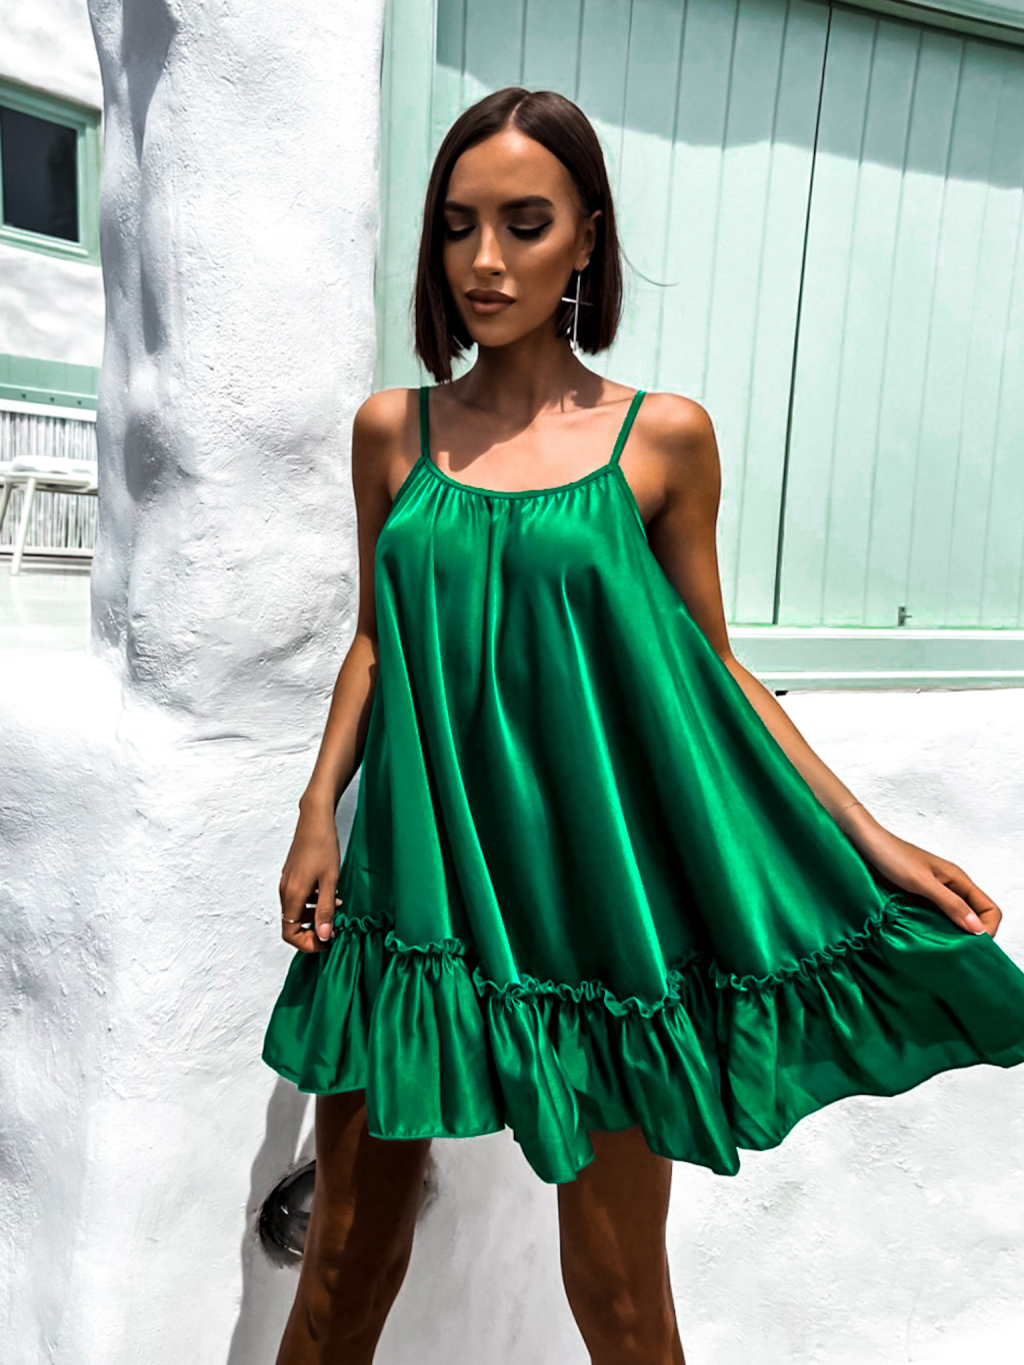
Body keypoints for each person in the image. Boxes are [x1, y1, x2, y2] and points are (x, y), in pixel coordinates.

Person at [262, 86, 1024, 1365]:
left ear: (585, 240)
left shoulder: (661, 439)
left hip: (594, 907)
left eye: (524, 224)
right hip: (414, 891)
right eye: (456, 226)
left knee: (620, 1301)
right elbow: (378, 640)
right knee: (342, 1272)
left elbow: (710, 671)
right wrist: (313, 811)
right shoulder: (394, 430)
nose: (484, 260)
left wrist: (872, 838)